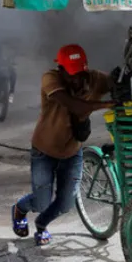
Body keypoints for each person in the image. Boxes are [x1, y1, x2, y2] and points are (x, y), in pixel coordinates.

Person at [11, 44, 115, 246]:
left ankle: (41, 225)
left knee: (66, 203)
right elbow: (74, 105)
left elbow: (113, 82)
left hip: (72, 152)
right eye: (72, 74)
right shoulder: (50, 79)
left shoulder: (94, 79)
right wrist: (107, 104)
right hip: (44, 151)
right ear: (61, 70)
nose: (77, 79)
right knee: (41, 201)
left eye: (81, 73)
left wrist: (124, 78)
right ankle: (20, 208)